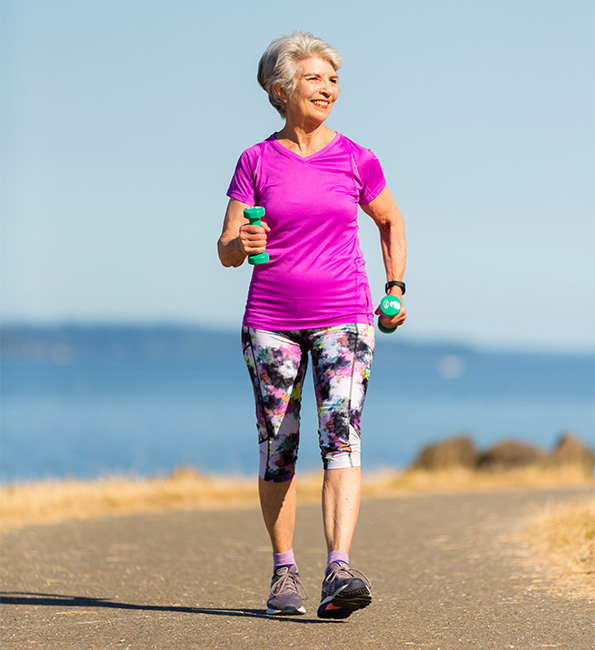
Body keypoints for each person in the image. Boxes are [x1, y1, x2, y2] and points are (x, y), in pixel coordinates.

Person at [217, 31, 407, 619]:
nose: (328, 88)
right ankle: (284, 575)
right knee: (279, 447)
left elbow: (391, 222)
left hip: (345, 318)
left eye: (333, 79)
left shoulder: (356, 157)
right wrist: (241, 241)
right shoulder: (255, 161)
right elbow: (226, 248)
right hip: (270, 321)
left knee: (341, 438)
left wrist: (394, 287)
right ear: (280, 89)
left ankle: (339, 568)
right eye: (315, 78)